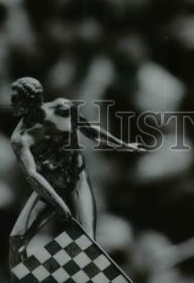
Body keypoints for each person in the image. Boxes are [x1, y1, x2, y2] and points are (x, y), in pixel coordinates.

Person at [8, 76, 143, 267]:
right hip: (51, 191)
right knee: (18, 239)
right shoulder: (20, 138)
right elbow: (32, 175)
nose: (12, 104)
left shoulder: (63, 110)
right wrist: (58, 204)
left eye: (16, 98)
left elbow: (90, 130)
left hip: (76, 182)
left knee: (94, 242)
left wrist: (123, 145)